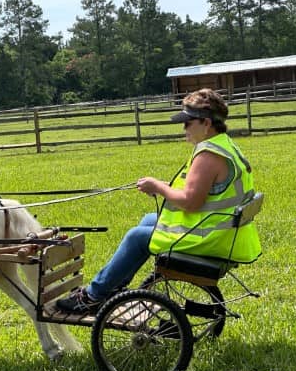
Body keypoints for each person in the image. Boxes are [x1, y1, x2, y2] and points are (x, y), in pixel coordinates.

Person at [56, 88, 261, 314]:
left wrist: (159, 187)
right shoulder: (224, 145)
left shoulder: (208, 155)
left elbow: (190, 202)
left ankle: (93, 296)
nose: (183, 128)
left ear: (206, 123)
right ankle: (113, 287)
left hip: (211, 237)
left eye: (187, 122)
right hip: (221, 231)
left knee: (136, 237)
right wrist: (164, 187)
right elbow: (206, 193)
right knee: (148, 220)